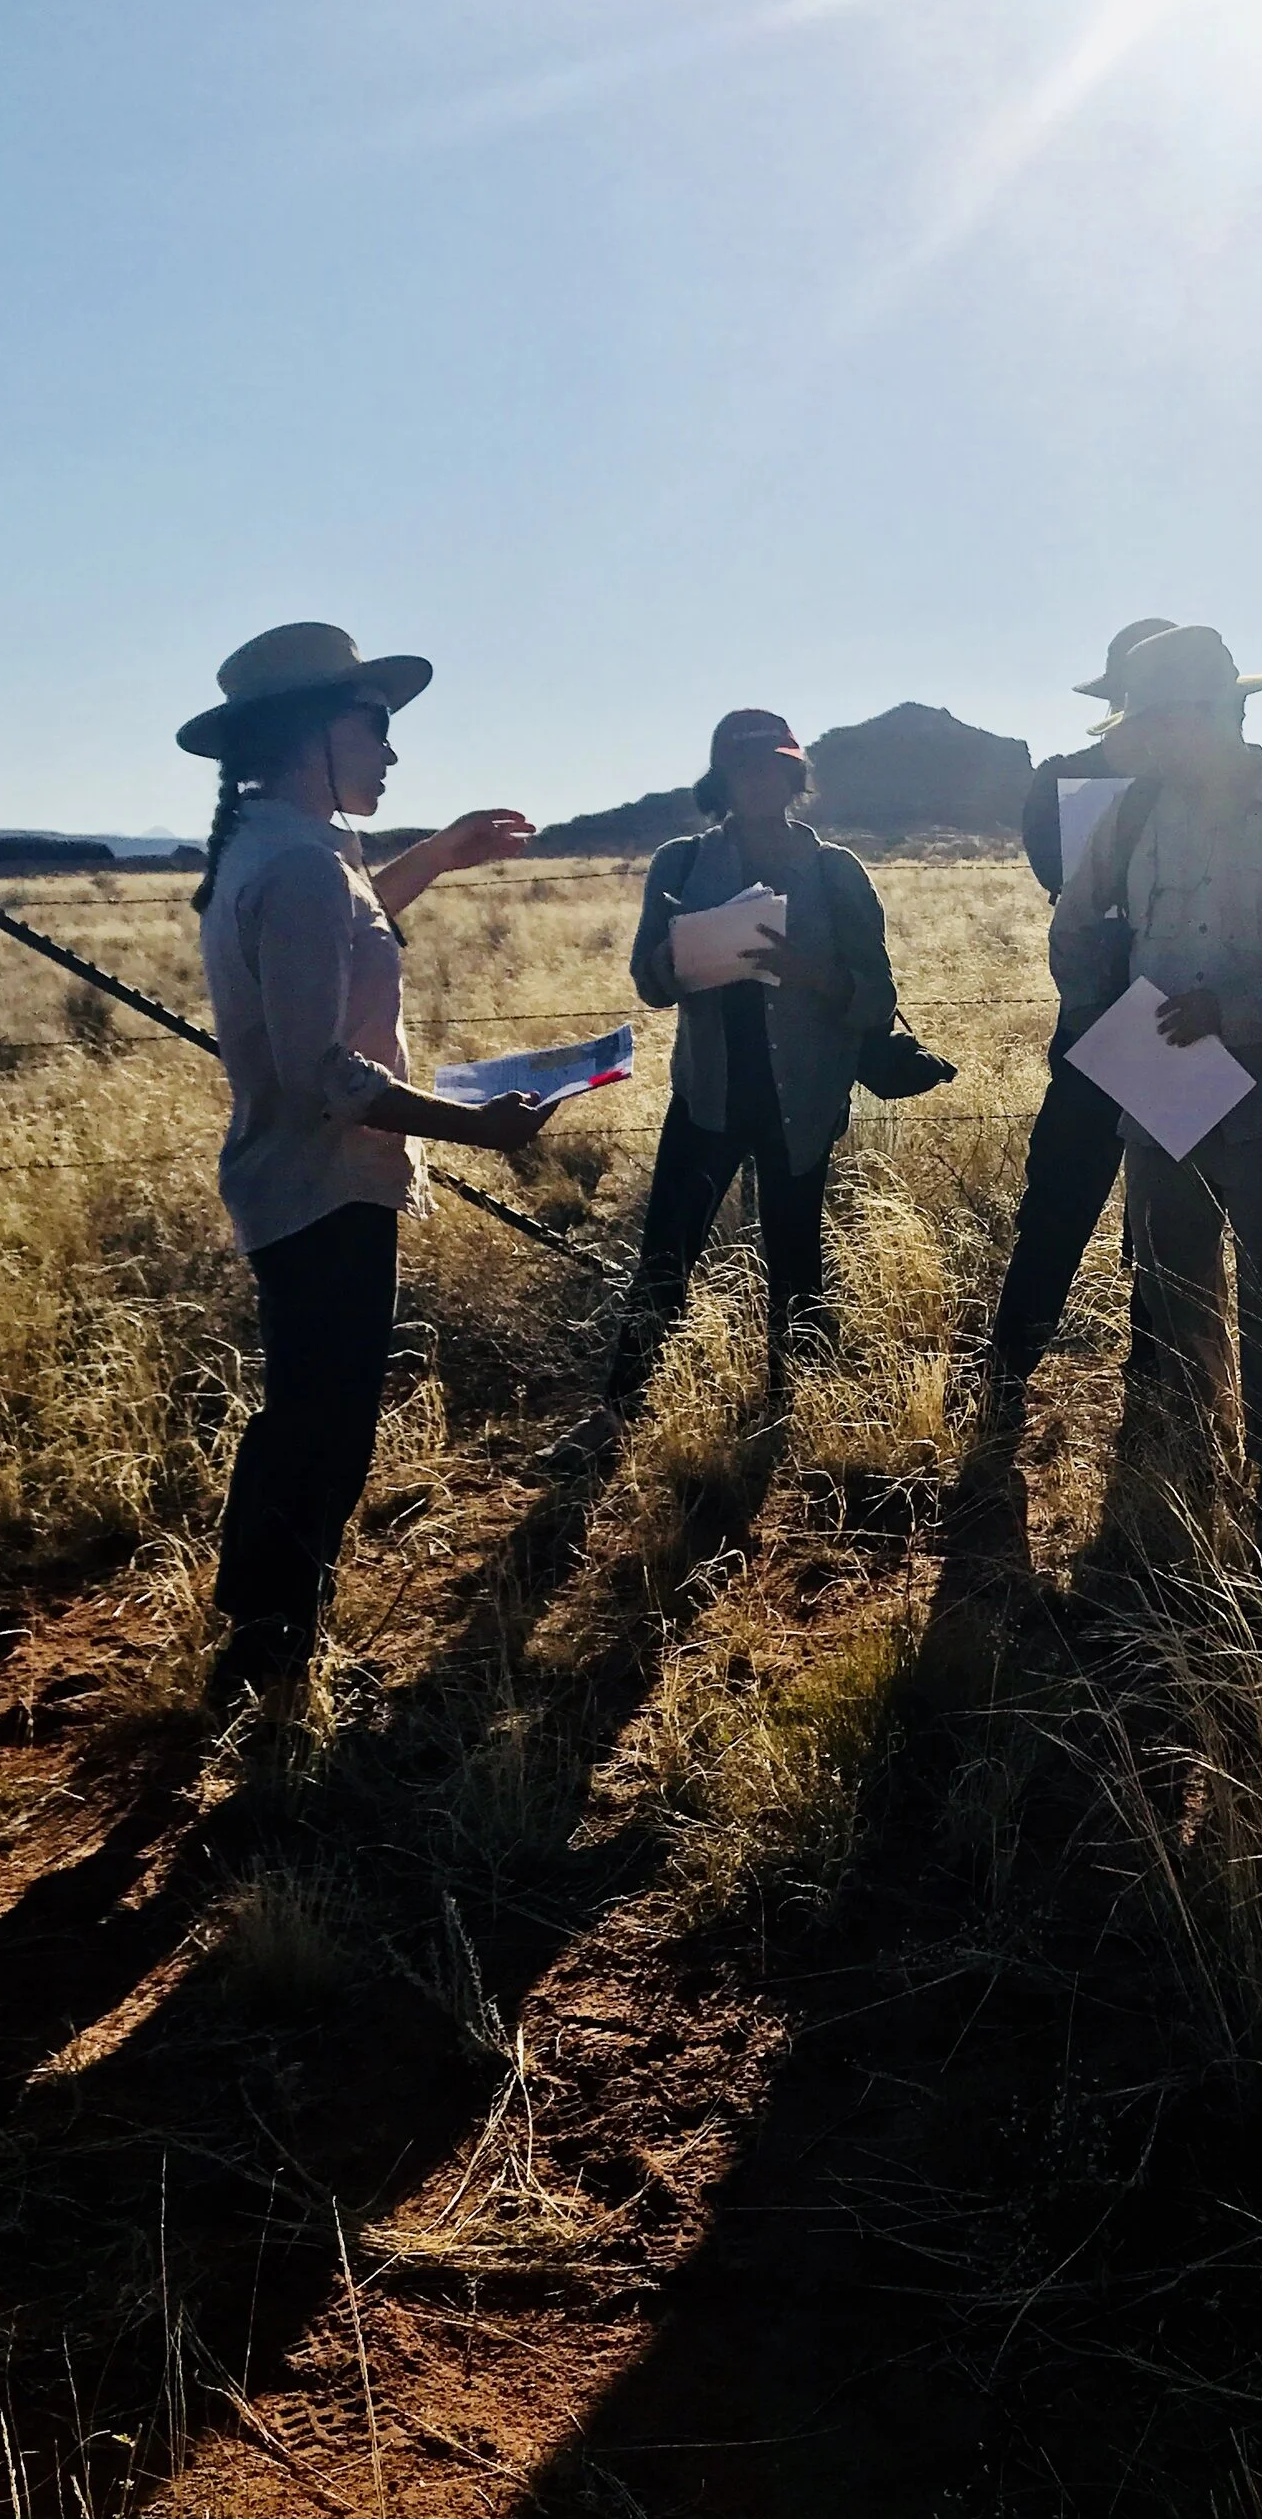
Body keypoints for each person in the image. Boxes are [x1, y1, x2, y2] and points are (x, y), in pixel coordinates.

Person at [183, 620, 554, 1710]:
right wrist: (477, 1128)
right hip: (321, 1180)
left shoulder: (288, 846)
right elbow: (323, 1075)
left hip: (302, 1179)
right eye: (372, 728)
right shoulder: (298, 862)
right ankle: (272, 1650)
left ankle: (260, 1616)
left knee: (306, 1407)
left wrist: (436, 855)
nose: (390, 752)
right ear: (311, 734)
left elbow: (345, 927)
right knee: (325, 1423)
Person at [1048, 625, 1262, 1626]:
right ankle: (1190, 1476)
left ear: (1218, 714)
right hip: (1156, 1091)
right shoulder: (1129, 812)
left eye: (1161, 719)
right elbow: (1074, 924)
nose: (1145, 740)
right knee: (1175, 1285)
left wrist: (1234, 1011)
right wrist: (1107, 1016)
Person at [604, 707, 895, 1415]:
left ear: (795, 774)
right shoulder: (681, 861)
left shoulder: (834, 871)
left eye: (773, 766)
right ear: (721, 779)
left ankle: (795, 1414)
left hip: (802, 1096)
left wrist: (807, 971)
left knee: (797, 1259)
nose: (759, 781)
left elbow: (879, 996)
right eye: (743, 768)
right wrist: (686, 957)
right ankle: (616, 1410)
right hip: (711, 1092)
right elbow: (648, 982)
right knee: (666, 1257)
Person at [980, 616, 1176, 1422]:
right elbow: (1063, 876)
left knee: (1168, 1208)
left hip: (1176, 1018)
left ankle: (1158, 1378)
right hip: (1102, 1018)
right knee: (1062, 1196)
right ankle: (1007, 1375)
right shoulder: (1062, 780)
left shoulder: (1210, 787)